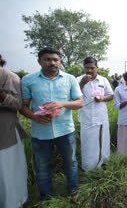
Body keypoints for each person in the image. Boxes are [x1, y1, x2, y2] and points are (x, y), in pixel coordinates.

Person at [20, 47, 83, 201]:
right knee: (42, 167)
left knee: (71, 162)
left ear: (59, 61)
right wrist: (35, 117)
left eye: (55, 60)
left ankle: (73, 191)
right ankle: (46, 198)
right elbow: (23, 107)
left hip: (65, 130)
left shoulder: (70, 79)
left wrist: (62, 103)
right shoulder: (28, 80)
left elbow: (80, 102)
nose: (52, 62)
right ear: (39, 61)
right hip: (40, 131)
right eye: (47, 59)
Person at [0, 55, 28, 208]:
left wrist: (2, 95)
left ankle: (15, 201)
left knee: (8, 167)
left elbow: (19, 104)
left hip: (5, 129)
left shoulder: (10, 77)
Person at [77, 57, 114, 172]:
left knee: (103, 140)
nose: (89, 70)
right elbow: (73, 96)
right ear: (84, 68)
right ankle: (88, 168)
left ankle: (103, 164)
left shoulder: (103, 80)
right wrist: (82, 84)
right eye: (87, 68)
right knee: (88, 143)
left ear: (97, 68)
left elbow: (111, 95)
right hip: (86, 117)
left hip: (101, 116)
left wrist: (102, 98)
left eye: (92, 68)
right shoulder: (78, 80)